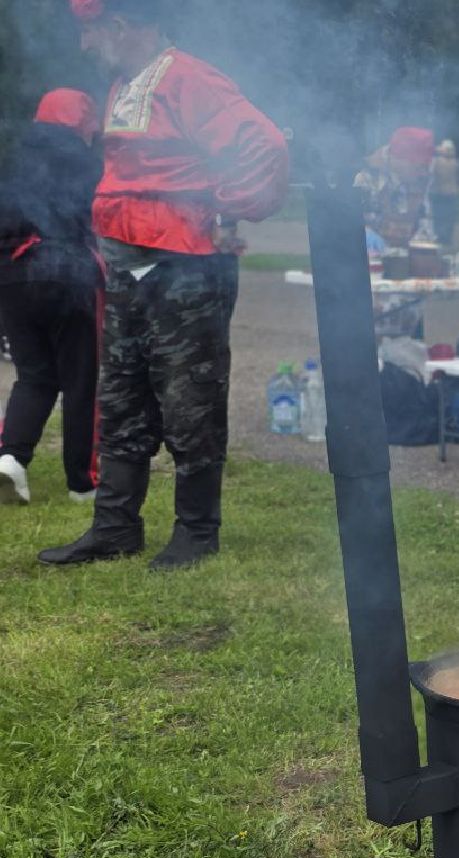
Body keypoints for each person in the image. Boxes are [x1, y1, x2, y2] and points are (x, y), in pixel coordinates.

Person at [40, 0, 288, 570]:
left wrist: (221, 207)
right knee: (121, 393)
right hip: (129, 267)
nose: (84, 46)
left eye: (89, 32)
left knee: (189, 397)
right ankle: (115, 526)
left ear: (120, 26)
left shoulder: (192, 80)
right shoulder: (125, 85)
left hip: (189, 268)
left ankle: (197, 532)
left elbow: (265, 145)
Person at [0, 90, 103, 506]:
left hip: (9, 274)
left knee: (35, 374)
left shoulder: (14, 158)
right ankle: (83, 484)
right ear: (82, 124)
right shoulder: (88, 163)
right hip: (66, 272)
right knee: (83, 380)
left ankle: (10, 459)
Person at [355, 127, 436, 341]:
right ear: (399, 159)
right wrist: (362, 234)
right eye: (418, 166)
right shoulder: (364, 178)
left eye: (425, 166)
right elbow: (342, 224)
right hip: (368, 281)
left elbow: (425, 222)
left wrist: (425, 247)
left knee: (409, 353)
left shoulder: (422, 179)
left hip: (405, 284)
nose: (423, 172)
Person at [430, 138, 459, 249]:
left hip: (439, 194)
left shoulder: (437, 161)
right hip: (449, 194)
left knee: (440, 217)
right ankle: (446, 238)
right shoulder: (455, 162)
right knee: (448, 217)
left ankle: (441, 237)